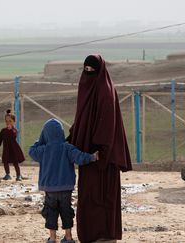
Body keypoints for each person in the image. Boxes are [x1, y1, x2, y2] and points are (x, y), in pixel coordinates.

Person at [67, 54, 132, 243]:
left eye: (91, 70)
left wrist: (101, 151)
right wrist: (71, 140)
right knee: (89, 196)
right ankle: (91, 234)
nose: (88, 74)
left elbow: (107, 124)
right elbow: (82, 119)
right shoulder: (88, 89)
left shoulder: (104, 90)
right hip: (88, 156)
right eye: (85, 70)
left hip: (102, 156)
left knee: (103, 197)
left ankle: (105, 234)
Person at [29, 118, 99, 243]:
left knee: (51, 212)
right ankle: (68, 237)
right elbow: (80, 157)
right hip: (66, 188)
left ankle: (52, 238)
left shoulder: (43, 150)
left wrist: (40, 140)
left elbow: (31, 151)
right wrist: (92, 157)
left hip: (50, 189)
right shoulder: (67, 148)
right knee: (66, 211)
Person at [0, 109, 26, 181]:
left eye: (10, 121)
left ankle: (18, 175)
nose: (8, 123)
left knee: (15, 162)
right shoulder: (3, 130)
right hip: (6, 149)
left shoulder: (14, 130)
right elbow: (0, 139)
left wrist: (11, 129)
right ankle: (7, 174)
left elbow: (14, 135)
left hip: (13, 149)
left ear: (14, 122)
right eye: (6, 121)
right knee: (5, 161)